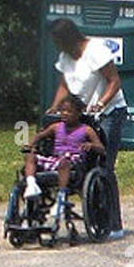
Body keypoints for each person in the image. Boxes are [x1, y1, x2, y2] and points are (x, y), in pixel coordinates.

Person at [47, 17, 126, 238]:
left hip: (110, 112)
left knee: (103, 165)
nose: (57, 46)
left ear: (68, 38)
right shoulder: (66, 57)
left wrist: (100, 103)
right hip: (81, 113)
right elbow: (64, 85)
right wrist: (55, 107)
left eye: (58, 41)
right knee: (82, 163)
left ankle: (114, 224)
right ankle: (94, 213)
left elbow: (114, 81)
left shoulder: (96, 51)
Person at [21, 94, 104, 229]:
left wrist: (91, 145)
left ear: (78, 113)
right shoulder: (56, 127)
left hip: (74, 162)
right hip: (55, 158)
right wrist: (30, 144)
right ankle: (31, 185)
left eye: (69, 111)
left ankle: (61, 196)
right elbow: (40, 135)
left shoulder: (86, 130)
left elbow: (101, 148)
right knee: (30, 157)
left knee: (64, 162)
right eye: (62, 111)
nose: (64, 114)